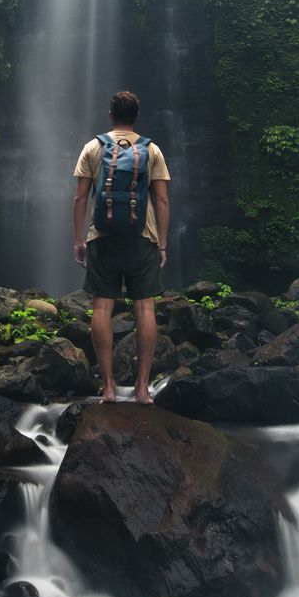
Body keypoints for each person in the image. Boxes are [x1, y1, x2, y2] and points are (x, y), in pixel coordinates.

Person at [72, 90, 171, 403]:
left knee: (102, 306)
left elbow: (80, 197)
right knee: (145, 307)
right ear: (136, 116)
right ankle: (142, 389)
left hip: (102, 237)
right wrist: (163, 244)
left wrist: (78, 239)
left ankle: (110, 387)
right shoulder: (151, 149)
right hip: (143, 238)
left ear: (111, 115)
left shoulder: (93, 147)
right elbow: (162, 199)